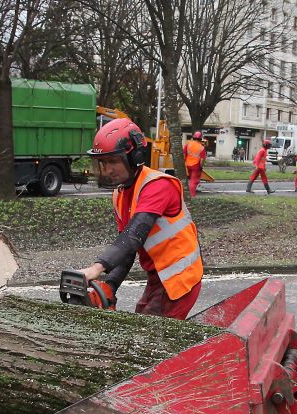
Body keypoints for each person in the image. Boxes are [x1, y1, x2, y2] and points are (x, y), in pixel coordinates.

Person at [78, 118, 203, 320]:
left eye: (113, 161)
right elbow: (127, 249)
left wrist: (97, 267)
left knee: (149, 339)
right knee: (140, 324)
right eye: (103, 162)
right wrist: (110, 285)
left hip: (179, 279)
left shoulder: (158, 186)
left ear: (134, 156)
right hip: (158, 278)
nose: (108, 169)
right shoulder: (120, 194)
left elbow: (135, 234)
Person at [183, 131, 207, 198]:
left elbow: (184, 155)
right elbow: (202, 160)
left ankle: (189, 194)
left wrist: (184, 162)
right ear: (200, 138)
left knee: (191, 179)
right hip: (196, 166)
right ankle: (192, 196)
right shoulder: (201, 147)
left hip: (188, 165)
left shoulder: (188, 144)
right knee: (193, 181)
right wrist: (201, 167)